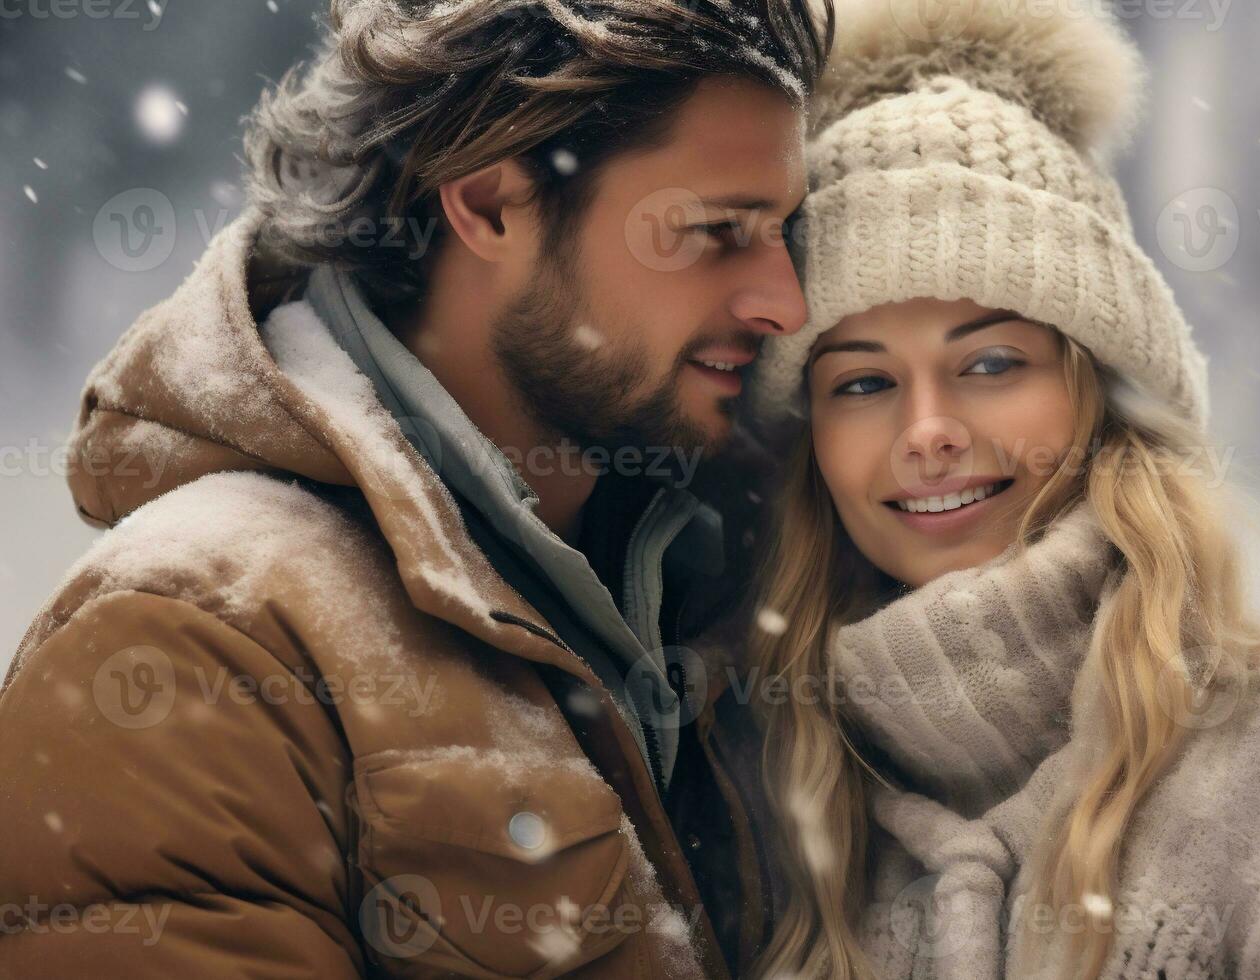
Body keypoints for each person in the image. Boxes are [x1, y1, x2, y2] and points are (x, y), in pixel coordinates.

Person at [0, 0, 831, 976]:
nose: (785, 302)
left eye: (783, 228)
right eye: (716, 230)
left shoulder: (734, 565)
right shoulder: (197, 638)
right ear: (484, 205)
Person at [741, 0, 1260, 976]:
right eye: (863, 382)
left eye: (990, 363)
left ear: (1093, 390)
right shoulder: (770, 804)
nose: (928, 430)